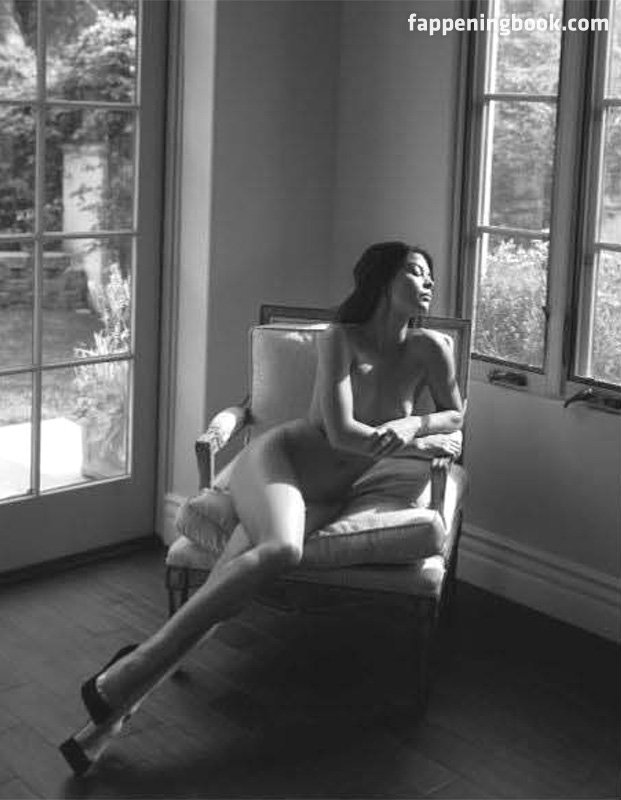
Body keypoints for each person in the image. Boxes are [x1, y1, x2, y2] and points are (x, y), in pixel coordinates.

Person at [59, 241, 465, 775]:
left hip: (328, 495)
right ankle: (127, 674)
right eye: (414, 272)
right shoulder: (340, 339)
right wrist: (413, 441)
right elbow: (342, 434)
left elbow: (455, 415)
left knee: (226, 593)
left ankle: (109, 712)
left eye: (430, 275)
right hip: (280, 462)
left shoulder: (431, 349)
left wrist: (414, 424)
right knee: (281, 549)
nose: (428, 282)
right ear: (383, 279)